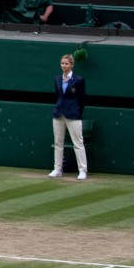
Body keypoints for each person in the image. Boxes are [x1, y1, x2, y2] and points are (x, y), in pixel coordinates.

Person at [50, 53, 88, 181]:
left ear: (72, 65)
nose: (64, 66)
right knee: (58, 142)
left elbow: (82, 99)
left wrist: (77, 112)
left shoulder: (78, 80)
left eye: (66, 63)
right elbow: (58, 96)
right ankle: (57, 169)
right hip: (58, 113)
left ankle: (82, 170)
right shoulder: (57, 79)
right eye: (62, 63)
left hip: (73, 114)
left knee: (78, 143)